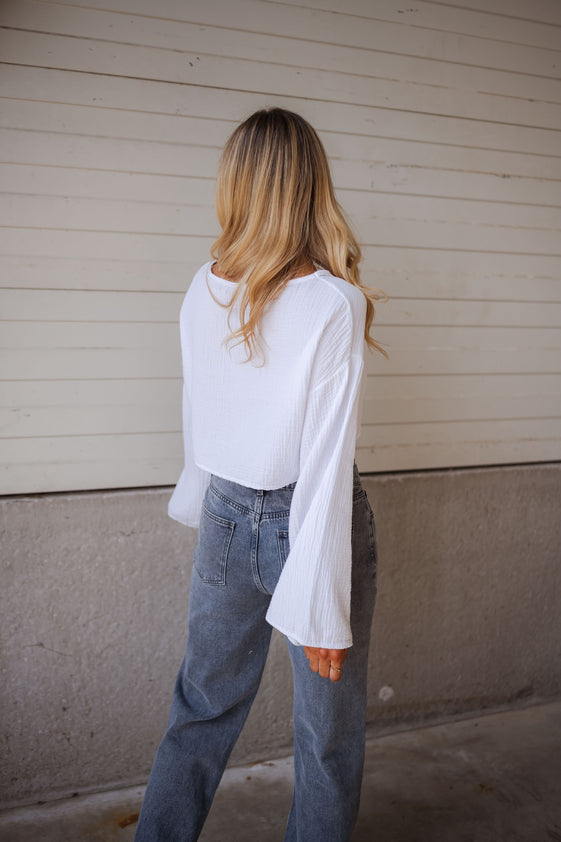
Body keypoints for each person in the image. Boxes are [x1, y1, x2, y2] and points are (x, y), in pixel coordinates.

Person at [134, 107, 387, 842]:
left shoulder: (205, 284)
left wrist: (204, 501)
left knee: (200, 711)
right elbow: (326, 467)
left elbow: (199, 410)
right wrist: (323, 609)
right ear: (311, 184)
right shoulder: (333, 302)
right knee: (326, 736)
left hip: (225, 515)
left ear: (236, 184)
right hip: (308, 524)